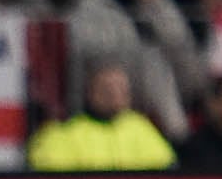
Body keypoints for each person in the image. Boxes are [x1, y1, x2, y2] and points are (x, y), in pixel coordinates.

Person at [27, 62, 178, 173]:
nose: (115, 95)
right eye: (107, 89)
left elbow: (164, 172)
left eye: (121, 89)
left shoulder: (142, 128)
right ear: (90, 92)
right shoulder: (62, 134)